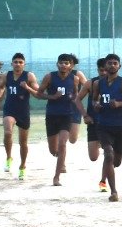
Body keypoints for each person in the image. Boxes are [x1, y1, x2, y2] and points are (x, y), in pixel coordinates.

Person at [88, 54, 122, 201]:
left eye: (115, 63)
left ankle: (106, 174)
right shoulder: (98, 84)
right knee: (108, 154)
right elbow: (94, 99)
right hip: (103, 125)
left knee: (116, 161)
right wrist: (95, 105)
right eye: (109, 63)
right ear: (105, 66)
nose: (112, 65)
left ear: (119, 66)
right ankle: (114, 191)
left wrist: (120, 104)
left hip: (121, 126)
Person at [36, 54, 85, 187]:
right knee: (54, 150)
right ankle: (60, 158)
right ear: (57, 64)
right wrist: (53, 96)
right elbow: (39, 94)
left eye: (66, 63)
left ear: (71, 66)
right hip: (52, 115)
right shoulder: (49, 77)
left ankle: (56, 177)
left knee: (63, 144)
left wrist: (83, 111)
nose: (64, 65)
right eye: (61, 63)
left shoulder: (75, 79)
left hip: (67, 115)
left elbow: (76, 95)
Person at [0, 53, 39, 178]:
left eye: (20, 62)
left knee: (23, 142)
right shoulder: (6, 75)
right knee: (8, 132)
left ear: (24, 64)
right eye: (15, 62)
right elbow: (1, 87)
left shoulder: (29, 76)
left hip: (23, 111)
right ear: (12, 64)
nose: (18, 64)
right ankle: (9, 157)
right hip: (9, 109)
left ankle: (22, 165)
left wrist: (27, 87)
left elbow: (37, 92)